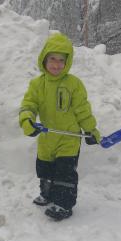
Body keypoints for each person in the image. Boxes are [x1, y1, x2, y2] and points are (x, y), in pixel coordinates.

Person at [19, 32, 101, 221]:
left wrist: (91, 130)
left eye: (61, 60)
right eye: (52, 59)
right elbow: (28, 105)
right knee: (45, 169)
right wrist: (27, 121)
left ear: (67, 62)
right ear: (44, 59)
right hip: (47, 137)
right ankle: (47, 194)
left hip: (69, 138)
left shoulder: (74, 84)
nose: (56, 64)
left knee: (65, 172)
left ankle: (63, 205)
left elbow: (83, 110)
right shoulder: (37, 84)